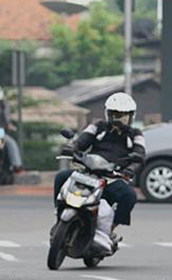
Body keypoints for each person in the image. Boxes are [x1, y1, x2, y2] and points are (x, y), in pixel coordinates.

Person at [53, 92, 146, 235]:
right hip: (88, 171)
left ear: (131, 116)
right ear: (108, 114)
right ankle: (59, 216)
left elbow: (140, 154)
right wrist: (72, 147)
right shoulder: (98, 126)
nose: (119, 120)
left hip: (113, 177)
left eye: (123, 116)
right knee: (61, 177)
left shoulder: (136, 134)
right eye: (115, 115)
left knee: (129, 196)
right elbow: (82, 141)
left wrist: (131, 168)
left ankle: (111, 228)